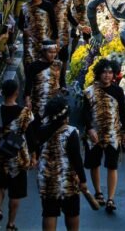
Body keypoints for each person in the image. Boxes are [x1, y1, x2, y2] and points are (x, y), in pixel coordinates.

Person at [36, 96, 88, 231]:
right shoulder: (71, 132)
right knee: (72, 212)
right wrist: (82, 180)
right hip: (67, 180)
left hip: (47, 178)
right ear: (65, 115)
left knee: (49, 212)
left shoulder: (41, 131)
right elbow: (76, 159)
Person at [0, 79, 33, 231]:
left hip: (0, 154)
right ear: (16, 92)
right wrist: (34, 155)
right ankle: (11, 224)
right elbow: (29, 133)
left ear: (2, 92)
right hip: (18, 155)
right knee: (16, 191)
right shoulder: (25, 112)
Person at [83, 59, 125, 213]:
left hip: (113, 134)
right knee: (95, 164)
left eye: (110, 72)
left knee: (112, 166)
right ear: (98, 73)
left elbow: (123, 113)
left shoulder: (118, 91)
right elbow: (86, 114)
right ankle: (98, 192)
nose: (107, 75)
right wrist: (90, 129)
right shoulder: (89, 92)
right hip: (94, 135)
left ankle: (110, 198)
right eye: (104, 72)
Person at [24, 40, 62, 119]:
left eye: (54, 52)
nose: (53, 55)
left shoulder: (58, 64)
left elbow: (58, 81)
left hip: (52, 102)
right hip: (38, 102)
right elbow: (28, 85)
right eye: (50, 52)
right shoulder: (33, 66)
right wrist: (27, 100)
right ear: (43, 52)